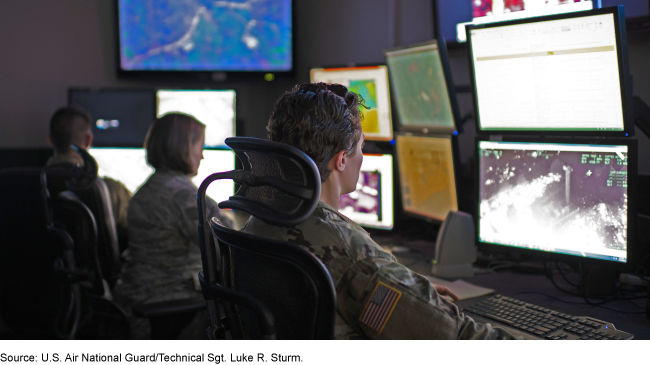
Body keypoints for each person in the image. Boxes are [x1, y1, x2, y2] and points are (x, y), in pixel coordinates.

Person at [241, 83, 519, 339]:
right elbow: (453, 338)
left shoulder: (260, 217)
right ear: (341, 160)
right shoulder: (350, 254)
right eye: (362, 147)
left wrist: (409, 295)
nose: (363, 156)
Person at [113, 112, 234, 339]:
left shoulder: (147, 189)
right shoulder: (182, 195)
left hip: (134, 297)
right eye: (199, 146)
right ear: (183, 148)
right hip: (165, 302)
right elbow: (228, 246)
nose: (203, 156)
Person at [47, 106, 131, 249]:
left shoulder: (23, 186)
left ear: (50, 140)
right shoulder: (110, 190)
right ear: (88, 140)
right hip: (95, 270)